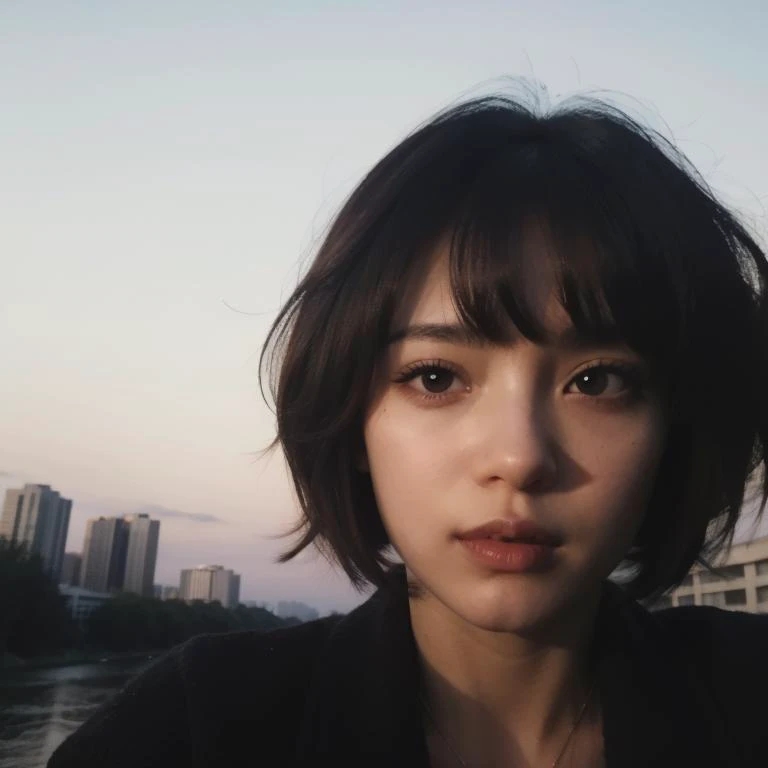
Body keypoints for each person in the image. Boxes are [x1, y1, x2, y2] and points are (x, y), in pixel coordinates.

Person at [49, 88, 768, 768]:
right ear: (350, 414)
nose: (518, 458)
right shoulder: (197, 729)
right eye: (435, 377)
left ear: (677, 425)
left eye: (598, 381)